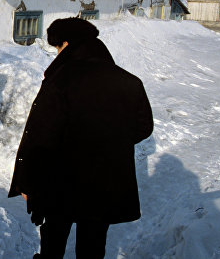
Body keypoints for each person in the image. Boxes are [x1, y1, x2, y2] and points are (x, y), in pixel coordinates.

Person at [8, 17, 153, 258]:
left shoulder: (60, 80)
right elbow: (143, 128)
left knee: (54, 239)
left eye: (57, 47)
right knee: (93, 243)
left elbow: (41, 136)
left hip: (61, 180)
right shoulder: (128, 81)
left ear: (67, 44)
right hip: (104, 181)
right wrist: (112, 142)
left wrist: (28, 182)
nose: (57, 54)